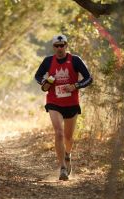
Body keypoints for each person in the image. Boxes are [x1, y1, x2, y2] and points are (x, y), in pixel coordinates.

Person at [35, 34, 92, 181]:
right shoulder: (48, 61)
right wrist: (44, 82)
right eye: (57, 46)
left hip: (72, 103)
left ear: (66, 45)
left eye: (62, 45)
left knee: (68, 137)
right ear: (53, 47)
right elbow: (37, 75)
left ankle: (67, 154)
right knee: (59, 133)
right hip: (54, 101)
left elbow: (89, 78)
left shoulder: (75, 60)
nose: (60, 48)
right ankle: (62, 168)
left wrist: (76, 85)